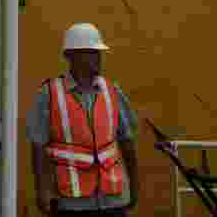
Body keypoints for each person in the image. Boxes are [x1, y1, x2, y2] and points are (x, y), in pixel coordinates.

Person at [26, 23, 139, 216]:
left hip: (113, 198)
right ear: (71, 56)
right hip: (72, 202)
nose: (97, 59)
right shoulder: (50, 93)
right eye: (90, 53)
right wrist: (42, 190)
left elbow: (127, 141)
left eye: (98, 53)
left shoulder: (112, 91)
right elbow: (38, 146)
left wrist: (134, 186)